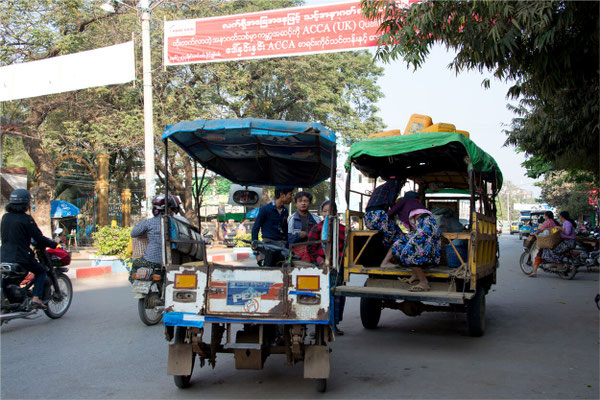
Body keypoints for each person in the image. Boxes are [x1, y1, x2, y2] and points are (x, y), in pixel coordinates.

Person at [0, 189, 58, 309]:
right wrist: (53, 244)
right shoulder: (27, 219)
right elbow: (39, 238)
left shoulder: (5, 217)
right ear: (26, 204)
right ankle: (36, 298)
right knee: (41, 271)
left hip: (3, 256)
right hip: (21, 257)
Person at [380, 197, 442, 292]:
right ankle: (385, 264)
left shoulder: (405, 201)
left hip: (427, 225)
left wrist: (383, 220)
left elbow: (390, 213)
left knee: (409, 251)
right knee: (399, 244)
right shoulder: (410, 210)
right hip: (420, 226)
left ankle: (424, 282)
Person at [307, 200, 346, 335]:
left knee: (337, 297)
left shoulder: (342, 229)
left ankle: (334, 326)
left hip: (337, 268)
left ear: (335, 212)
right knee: (321, 297)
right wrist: (319, 260)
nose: (327, 214)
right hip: (321, 268)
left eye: (330, 211)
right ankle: (320, 328)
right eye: (324, 211)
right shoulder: (317, 228)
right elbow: (311, 247)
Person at [130, 194, 181, 281]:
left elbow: (134, 233)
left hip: (150, 260)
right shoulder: (177, 223)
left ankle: (135, 283)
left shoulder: (148, 223)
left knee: (136, 264)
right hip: (172, 260)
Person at [531, 211, 577, 276]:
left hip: (567, 242)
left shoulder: (566, 223)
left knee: (552, 250)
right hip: (561, 241)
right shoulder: (557, 222)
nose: (559, 218)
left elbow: (567, 232)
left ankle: (557, 264)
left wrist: (560, 228)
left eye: (560, 216)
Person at [363, 179, 403, 246]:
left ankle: (383, 248)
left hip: (367, 218)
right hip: (378, 216)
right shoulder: (394, 185)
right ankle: (387, 251)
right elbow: (391, 202)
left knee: (387, 232)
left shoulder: (380, 187)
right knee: (399, 235)